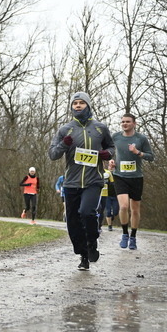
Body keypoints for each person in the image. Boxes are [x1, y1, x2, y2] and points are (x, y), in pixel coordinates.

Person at [48, 92, 114, 271]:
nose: (78, 105)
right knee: (73, 222)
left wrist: (107, 154)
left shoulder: (100, 128)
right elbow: (53, 154)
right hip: (71, 182)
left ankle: (92, 242)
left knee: (86, 212)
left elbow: (111, 146)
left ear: (88, 106)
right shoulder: (65, 130)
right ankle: (83, 254)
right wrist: (64, 144)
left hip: (93, 180)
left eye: (81, 103)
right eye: (75, 103)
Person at [111, 113, 154, 250]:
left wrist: (138, 152)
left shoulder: (141, 139)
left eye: (128, 121)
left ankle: (133, 237)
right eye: (123, 121)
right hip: (120, 176)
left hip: (136, 177)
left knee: (135, 209)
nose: (125, 124)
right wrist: (111, 161)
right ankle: (125, 234)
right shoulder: (115, 137)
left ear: (134, 124)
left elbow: (151, 156)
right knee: (123, 206)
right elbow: (109, 151)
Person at [99, 165, 118, 231]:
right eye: (110, 166)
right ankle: (109, 226)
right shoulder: (106, 174)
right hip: (107, 195)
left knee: (116, 211)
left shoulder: (117, 175)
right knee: (107, 211)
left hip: (115, 196)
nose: (111, 168)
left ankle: (112, 216)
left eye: (113, 167)